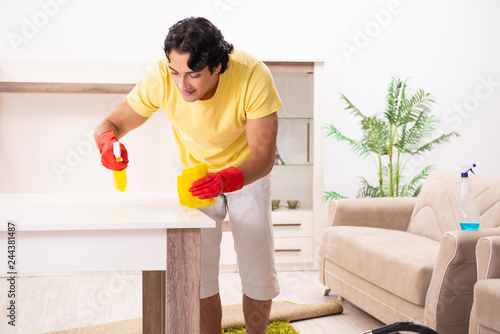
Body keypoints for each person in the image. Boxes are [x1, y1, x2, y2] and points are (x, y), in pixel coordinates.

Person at [94, 17, 282, 333]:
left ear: (217, 67)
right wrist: (107, 145)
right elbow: (109, 125)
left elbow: (263, 157)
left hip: (245, 172)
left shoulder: (253, 75)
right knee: (198, 270)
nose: (182, 85)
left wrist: (227, 179)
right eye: (176, 72)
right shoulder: (160, 78)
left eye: (193, 74)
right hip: (194, 174)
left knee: (257, 267)